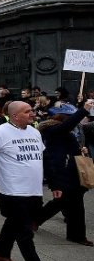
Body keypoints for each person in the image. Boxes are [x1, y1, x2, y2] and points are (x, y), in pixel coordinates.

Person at [0, 101, 59, 261]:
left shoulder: (34, 132)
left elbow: (44, 159)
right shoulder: (1, 132)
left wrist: (55, 183)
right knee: (25, 233)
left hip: (34, 191)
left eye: (31, 110)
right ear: (15, 116)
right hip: (13, 192)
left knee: (13, 223)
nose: (33, 114)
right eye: (28, 111)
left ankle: (1, 253)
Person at [35, 100, 94, 246]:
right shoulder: (52, 129)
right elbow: (67, 127)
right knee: (66, 201)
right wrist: (84, 109)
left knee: (70, 202)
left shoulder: (66, 130)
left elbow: (70, 142)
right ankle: (75, 234)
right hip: (61, 170)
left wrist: (81, 150)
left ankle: (76, 234)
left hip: (73, 169)